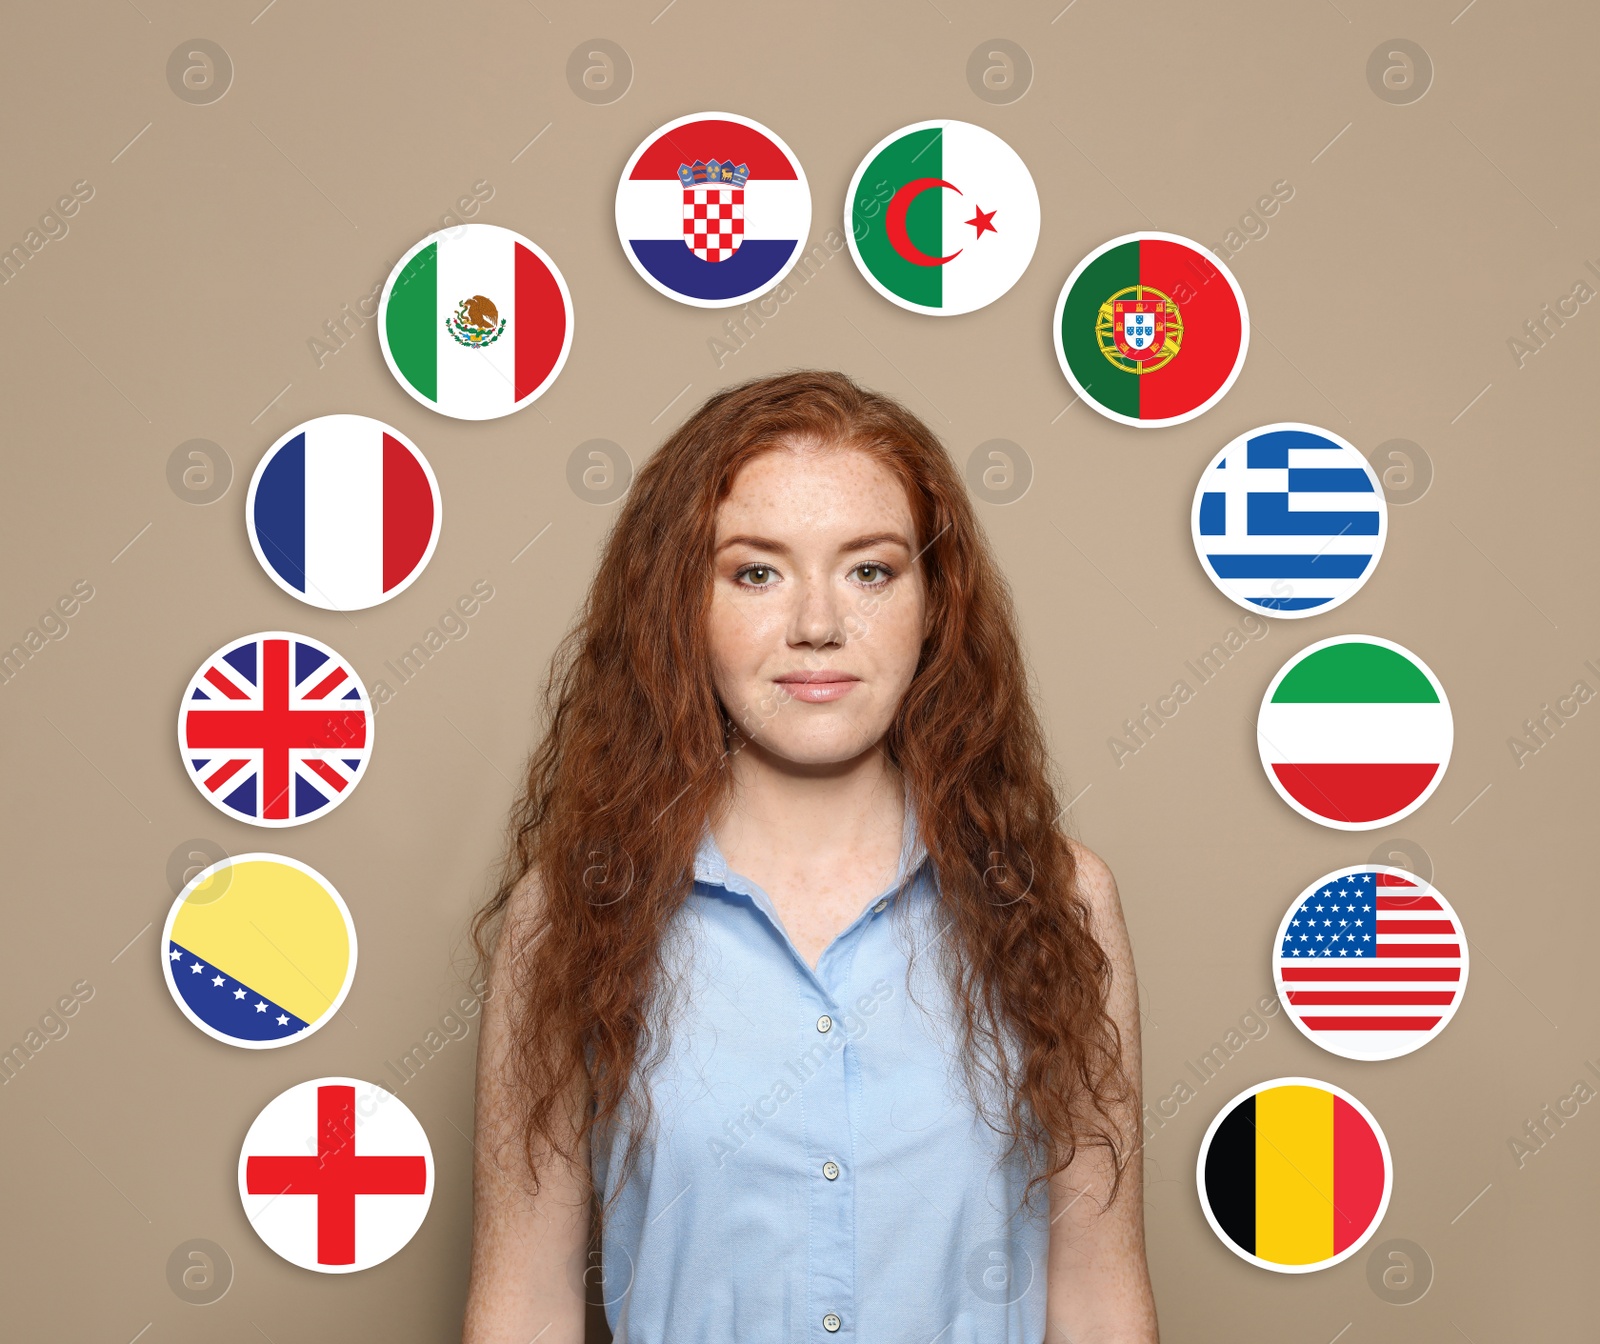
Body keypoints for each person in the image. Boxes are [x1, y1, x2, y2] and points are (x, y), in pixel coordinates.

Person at [462, 371, 1158, 1342]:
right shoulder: (571, 912)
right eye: (756, 572)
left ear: (934, 604)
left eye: (869, 571)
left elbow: (1097, 1299)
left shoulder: (1061, 900)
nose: (818, 626)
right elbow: (523, 1305)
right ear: (682, 606)